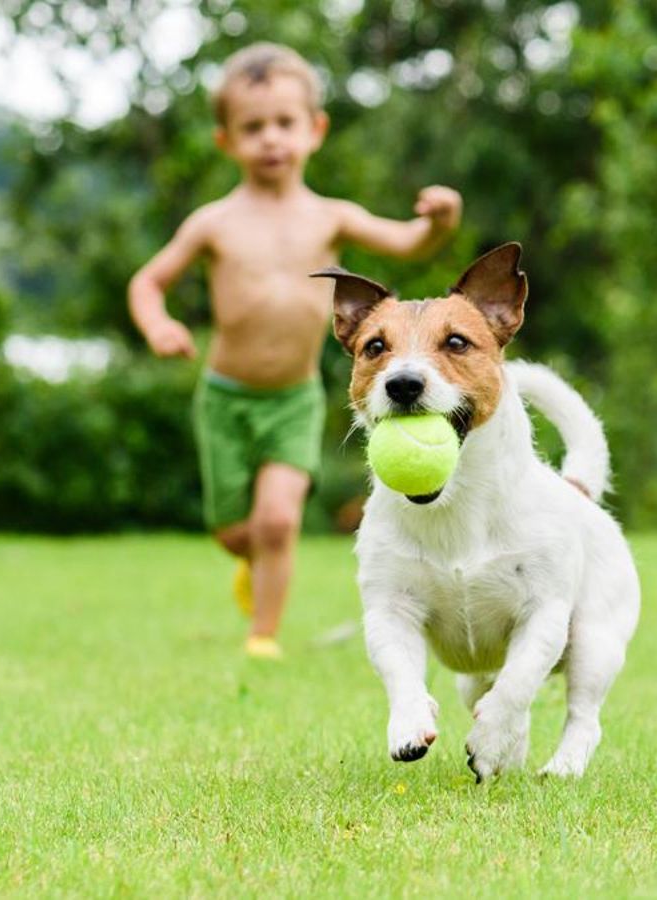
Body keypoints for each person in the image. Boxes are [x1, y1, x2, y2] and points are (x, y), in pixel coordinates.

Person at [128, 42, 463, 660]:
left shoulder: (329, 217)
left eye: (284, 124)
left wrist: (440, 221)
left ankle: (263, 636)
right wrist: (158, 326)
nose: (270, 139)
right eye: (252, 127)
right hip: (225, 397)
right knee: (238, 532)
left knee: (278, 521)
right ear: (226, 140)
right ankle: (247, 559)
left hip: (294, 398)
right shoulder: (214, 222)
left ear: (315, 130)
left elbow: (409, 242)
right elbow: (147, 281)